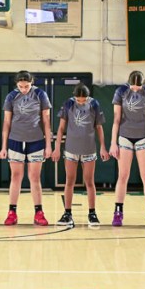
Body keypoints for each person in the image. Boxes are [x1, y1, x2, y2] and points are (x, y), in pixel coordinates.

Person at [0, 70, 52, 226]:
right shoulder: (11, 96)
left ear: (31, 83)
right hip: (15, 140)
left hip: (36, 140)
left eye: (26, 86)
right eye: (20, 86)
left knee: (34, 177)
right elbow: (6, 122)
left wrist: (48, 145)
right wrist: (3, 146)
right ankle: (12, 212)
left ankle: (39, 213)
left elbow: (46, 121)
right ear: (16, 84)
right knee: (16, 176)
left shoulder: (40, 95)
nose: (23, 89)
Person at [52, 83, 108, 228]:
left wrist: (103, 146)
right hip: (71, 149)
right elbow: (61, 128)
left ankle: (92, 213)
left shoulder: (94, 104)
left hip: (89, 149)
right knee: (69, 180)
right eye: (78, 100)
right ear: (74, 97)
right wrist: (56, 147)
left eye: (84, 100)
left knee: (89, 181)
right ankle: (67, 213)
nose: (81, 102)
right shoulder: (68, 104)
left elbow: (99, 127)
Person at [109, 70, 145, 227]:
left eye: (139, 87)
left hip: (143, 137)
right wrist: (113, 143)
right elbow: (116, 119)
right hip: (125, 136)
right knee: (123, 176)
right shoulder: (121, 91)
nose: (136, 89)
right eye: (133, 87)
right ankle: (118, 212)